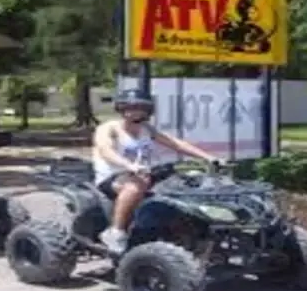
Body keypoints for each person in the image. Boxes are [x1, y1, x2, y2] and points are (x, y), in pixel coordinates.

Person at [93, 88, 219, 253]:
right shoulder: (109, 128)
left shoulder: (147, 129)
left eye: (140, 107)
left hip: (143, 173)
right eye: (130, 107)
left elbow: (176, 144)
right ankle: (116, 232)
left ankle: (191, 233)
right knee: (136, 185)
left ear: (148, 110)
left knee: (187, 181)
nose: (135, 111)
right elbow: (105, 150)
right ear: (121, 108)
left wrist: (208, 157)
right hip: (112, 176)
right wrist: (128, 165)